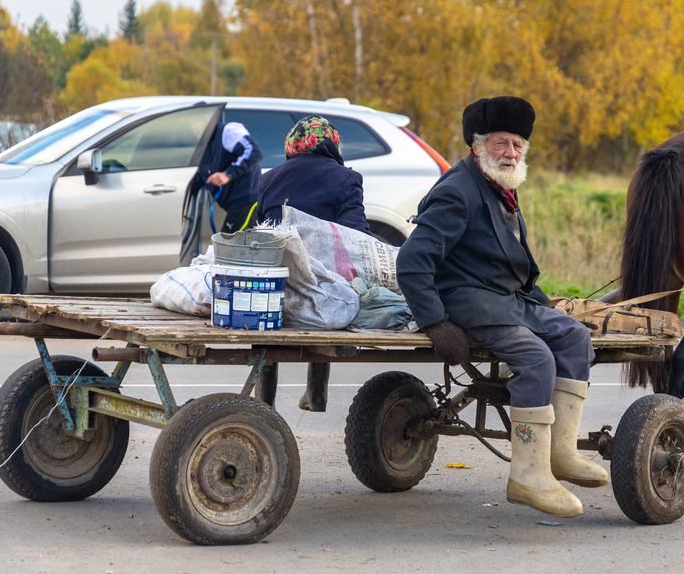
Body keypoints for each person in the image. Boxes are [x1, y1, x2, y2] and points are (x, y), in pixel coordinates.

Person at [396, 96, 606, 518]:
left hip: (506, 300)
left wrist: (549, 309)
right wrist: (436, 323)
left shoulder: (500, 187)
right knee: (536, 358)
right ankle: (527, 477)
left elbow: (513, 265)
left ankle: (560, 454)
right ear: (477, 146)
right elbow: (412, 261)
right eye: (500, 144)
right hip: (469, 303)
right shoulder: (458, 191)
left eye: (516, 145)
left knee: (574, 337)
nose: (510, 153)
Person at [255, 115, 371, 412]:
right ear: (332, 144)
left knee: (270, 325)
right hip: (321, 290)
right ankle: (315, 393)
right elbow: (355, 235)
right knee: (331, 292)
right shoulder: (346, 178)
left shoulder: (268, 178)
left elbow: (262, 231)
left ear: (292, 145)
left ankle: (264, 401)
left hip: (276, 286)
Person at [196, 121, 263, 233]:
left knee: (227, 247)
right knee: (238, 247)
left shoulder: (227, 130)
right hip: (235, 205)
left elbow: (253, 151)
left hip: (246, 200)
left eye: (196, 120)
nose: (194, 126)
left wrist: (228, 174)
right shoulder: (202, 143)